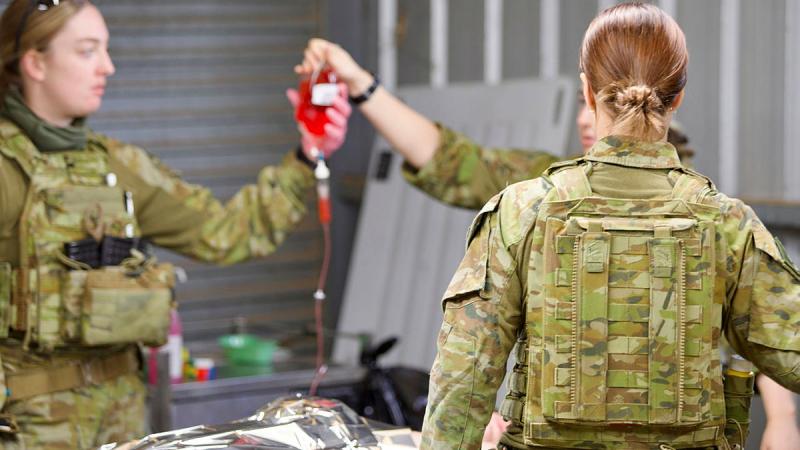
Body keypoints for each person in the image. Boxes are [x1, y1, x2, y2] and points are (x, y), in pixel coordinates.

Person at [297, 37, 800, 448]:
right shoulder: (725, 220)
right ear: (678, 95)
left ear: (587, 92)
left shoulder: (524, 206)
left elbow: (465, 376)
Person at [0, 1, 350, 448]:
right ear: (35, 63)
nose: (107, 66)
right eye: (87, 51)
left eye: (106, 49)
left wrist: (306, 156)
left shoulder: (118, 166)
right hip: (27, 428)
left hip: (121, 425)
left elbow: (226, 232)